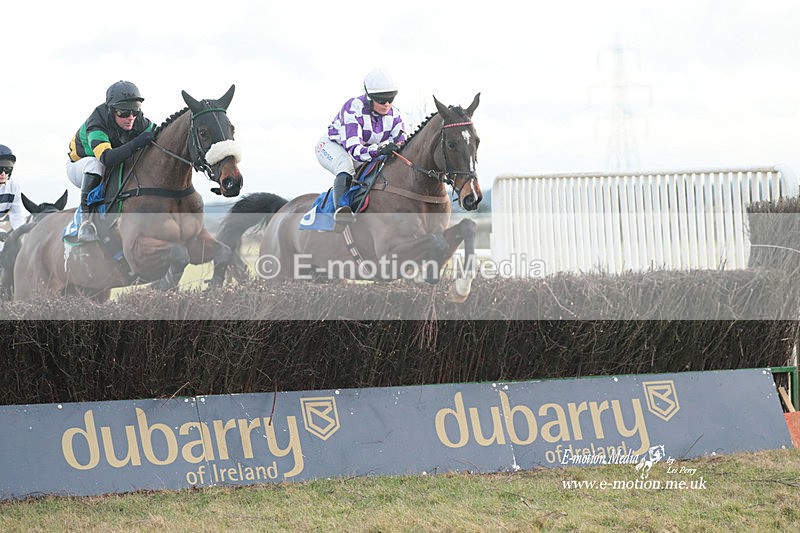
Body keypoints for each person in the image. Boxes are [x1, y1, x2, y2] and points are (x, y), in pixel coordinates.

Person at [315, 68, 407, 223]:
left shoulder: (395, 115)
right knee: (346, 166)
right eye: (381, 100)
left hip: (366, 149)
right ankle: (341, 210)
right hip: (334, 146)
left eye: (391, 99)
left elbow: (401, 143)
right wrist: (380, 149)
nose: (387, 104)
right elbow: (355, 151)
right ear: (369, 98)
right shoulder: (353, 108)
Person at [67, 80, 155, 241]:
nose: (131, 118)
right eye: (124, 113)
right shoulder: (97, 123)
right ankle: (85, 220)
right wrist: (136, 143)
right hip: (80, 166)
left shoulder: (138, 119)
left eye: (135, 111)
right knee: (95, 164)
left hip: (109, 166)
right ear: (111, 110)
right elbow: (107, 158)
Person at [0, 144, 26, 252]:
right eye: (0, 169)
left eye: (7, 169)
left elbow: (17, 215)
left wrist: (20, 234)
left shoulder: (13, 187)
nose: (3, 174)